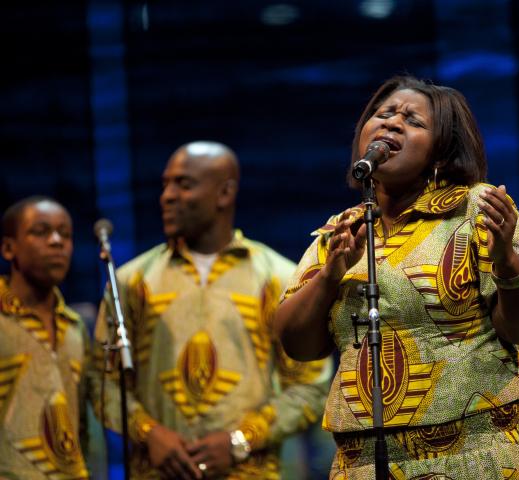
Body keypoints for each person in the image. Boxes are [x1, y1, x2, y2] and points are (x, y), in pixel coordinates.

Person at [273, 75, 519, 479]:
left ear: (440, 152)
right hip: (366, 459)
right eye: (383, 114)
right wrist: (329, 277)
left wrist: (507, 262)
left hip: (482, 450)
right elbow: (297, 345)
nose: (391, 123)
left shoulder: (475, 208)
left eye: (413, 121)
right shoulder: (341, 231)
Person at [90, 141, 332, 479]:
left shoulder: (278, 277)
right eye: (165, 185)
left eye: (184, 184)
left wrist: (240, 440)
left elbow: (311, 385)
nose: (167, 196)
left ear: (224, 193)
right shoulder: (132, 281)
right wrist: (150, 433)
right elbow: (103, 382)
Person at [0, 196, 90, 479]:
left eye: (65, 234)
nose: (56, 241)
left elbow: (86, 429)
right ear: (8, 248)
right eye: (41, 232)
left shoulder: (76, 327)